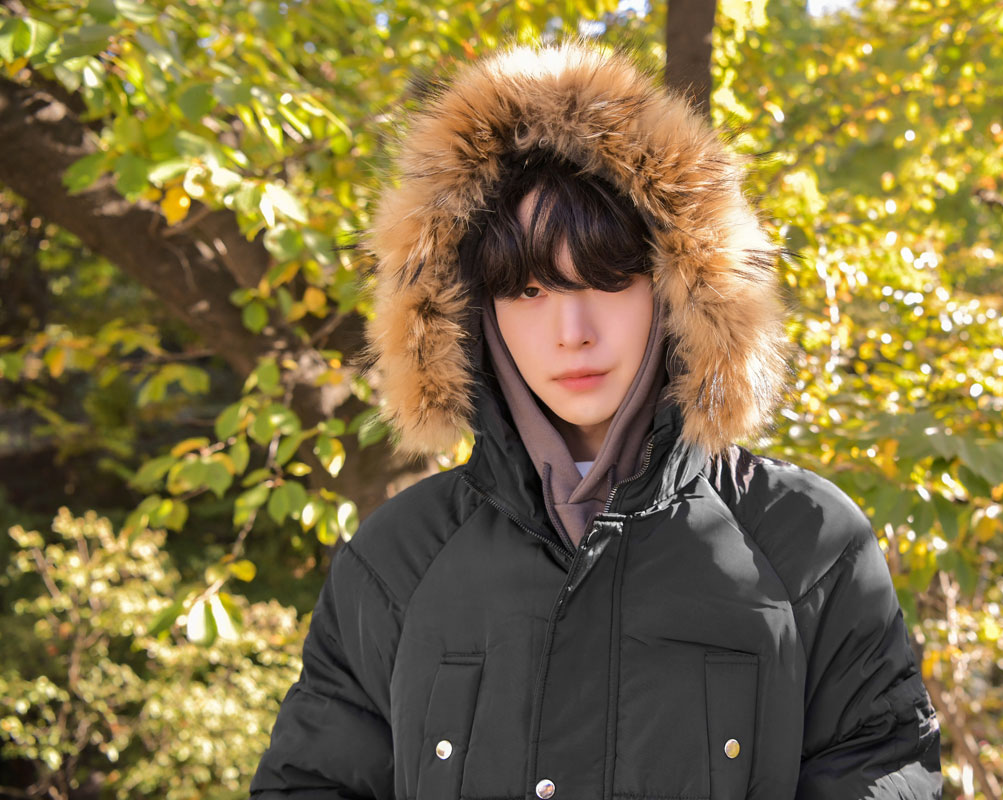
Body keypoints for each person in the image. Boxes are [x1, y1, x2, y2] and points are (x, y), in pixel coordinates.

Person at [250, 39, 942, 800]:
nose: (572, 332)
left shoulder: (806, 542)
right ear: (471, 310)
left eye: (609, 280)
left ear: (676, 287)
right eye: (527, 291)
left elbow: (879, 770)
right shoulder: (400, 558)